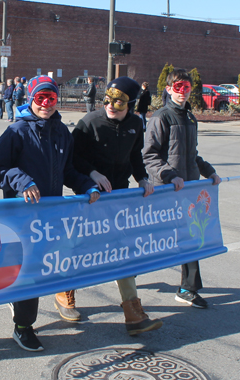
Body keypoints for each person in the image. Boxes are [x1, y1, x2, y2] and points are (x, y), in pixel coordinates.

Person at [0, 75, 100, 352]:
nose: (46, 104)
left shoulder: (62, 132)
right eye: (40, 98)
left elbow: (68, 170)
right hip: (21, 217)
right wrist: (22, 181)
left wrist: (88, 185)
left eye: (50, 98)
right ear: (31, 99)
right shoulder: (17, 131)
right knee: (30, 273)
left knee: (41, 270)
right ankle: (23, 327)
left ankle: (20, 303)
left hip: (50, 218)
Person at [63, 76, 162, 336]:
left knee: (122, 250)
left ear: (130, 105)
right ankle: (65, 294)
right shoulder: (89, 123)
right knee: (81, 247)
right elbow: (72, 159)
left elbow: (134, 155)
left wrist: (141, 177)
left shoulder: (135, 124)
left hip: (118, 197)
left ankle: (132, 313)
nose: (111, 106)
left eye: (118, 104)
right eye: (107, 101)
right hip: (90, 196)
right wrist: (92, 174)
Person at [143, 68, 221, 309]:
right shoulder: (161, 117)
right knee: (151, 238)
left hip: (188, 190)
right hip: (166, 190)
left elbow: (192, 154)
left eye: (186, 88)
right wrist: (170, 176)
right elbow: (150, 155)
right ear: (168, 89)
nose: (183, 92)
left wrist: (208, 171)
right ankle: (126, 272)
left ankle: (188, 288)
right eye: (178, 87)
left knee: (191, 237)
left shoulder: (189, 117)